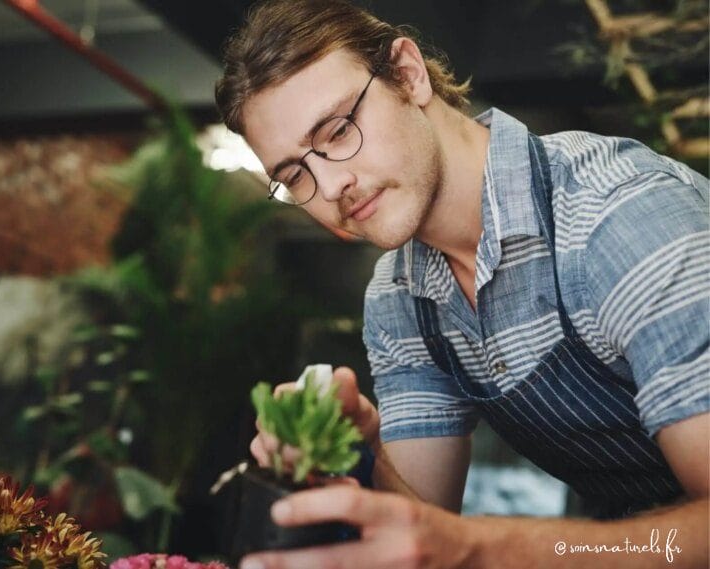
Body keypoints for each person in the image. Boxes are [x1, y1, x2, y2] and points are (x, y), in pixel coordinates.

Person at [214, 0, 709, 567]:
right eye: (295, 174)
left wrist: (473, 547)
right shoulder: (400, 299)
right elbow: (420, 534)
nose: (330, 187)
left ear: (408, 73)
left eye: (338, 129)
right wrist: (363, 452)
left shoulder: (618, 216)